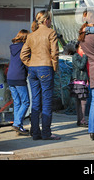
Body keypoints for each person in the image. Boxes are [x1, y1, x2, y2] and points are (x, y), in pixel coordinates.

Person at [20, 10, 60, 140]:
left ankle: (35, 132)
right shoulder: (51, 32)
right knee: (47, 101)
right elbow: (54, 53)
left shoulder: (31, 35)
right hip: (45, 67)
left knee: (36, 102)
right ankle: (46, 133)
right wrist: (54, 67)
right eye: (50, 20)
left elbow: (23, 55)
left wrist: (30, 63)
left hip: (33, 69)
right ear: (46, 20)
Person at [7, 29, 30, 135]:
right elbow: (26, 62)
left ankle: (18, 126)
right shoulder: (24, 48)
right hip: (19, 77)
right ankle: (16, 124)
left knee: (17, 102)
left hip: (10, 77)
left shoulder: (13, 47)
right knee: (26, 102)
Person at [69, 37, 89, 127]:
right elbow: (81, 66)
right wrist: (85, 56)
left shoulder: (81, 56)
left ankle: (81, 120)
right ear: (77, 48)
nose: (83, 50)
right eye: (81, 48)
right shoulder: (76, 56)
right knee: (81, 102)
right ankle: (81, 120)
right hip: (78, 82)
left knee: (81, 102)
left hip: (82, 82)